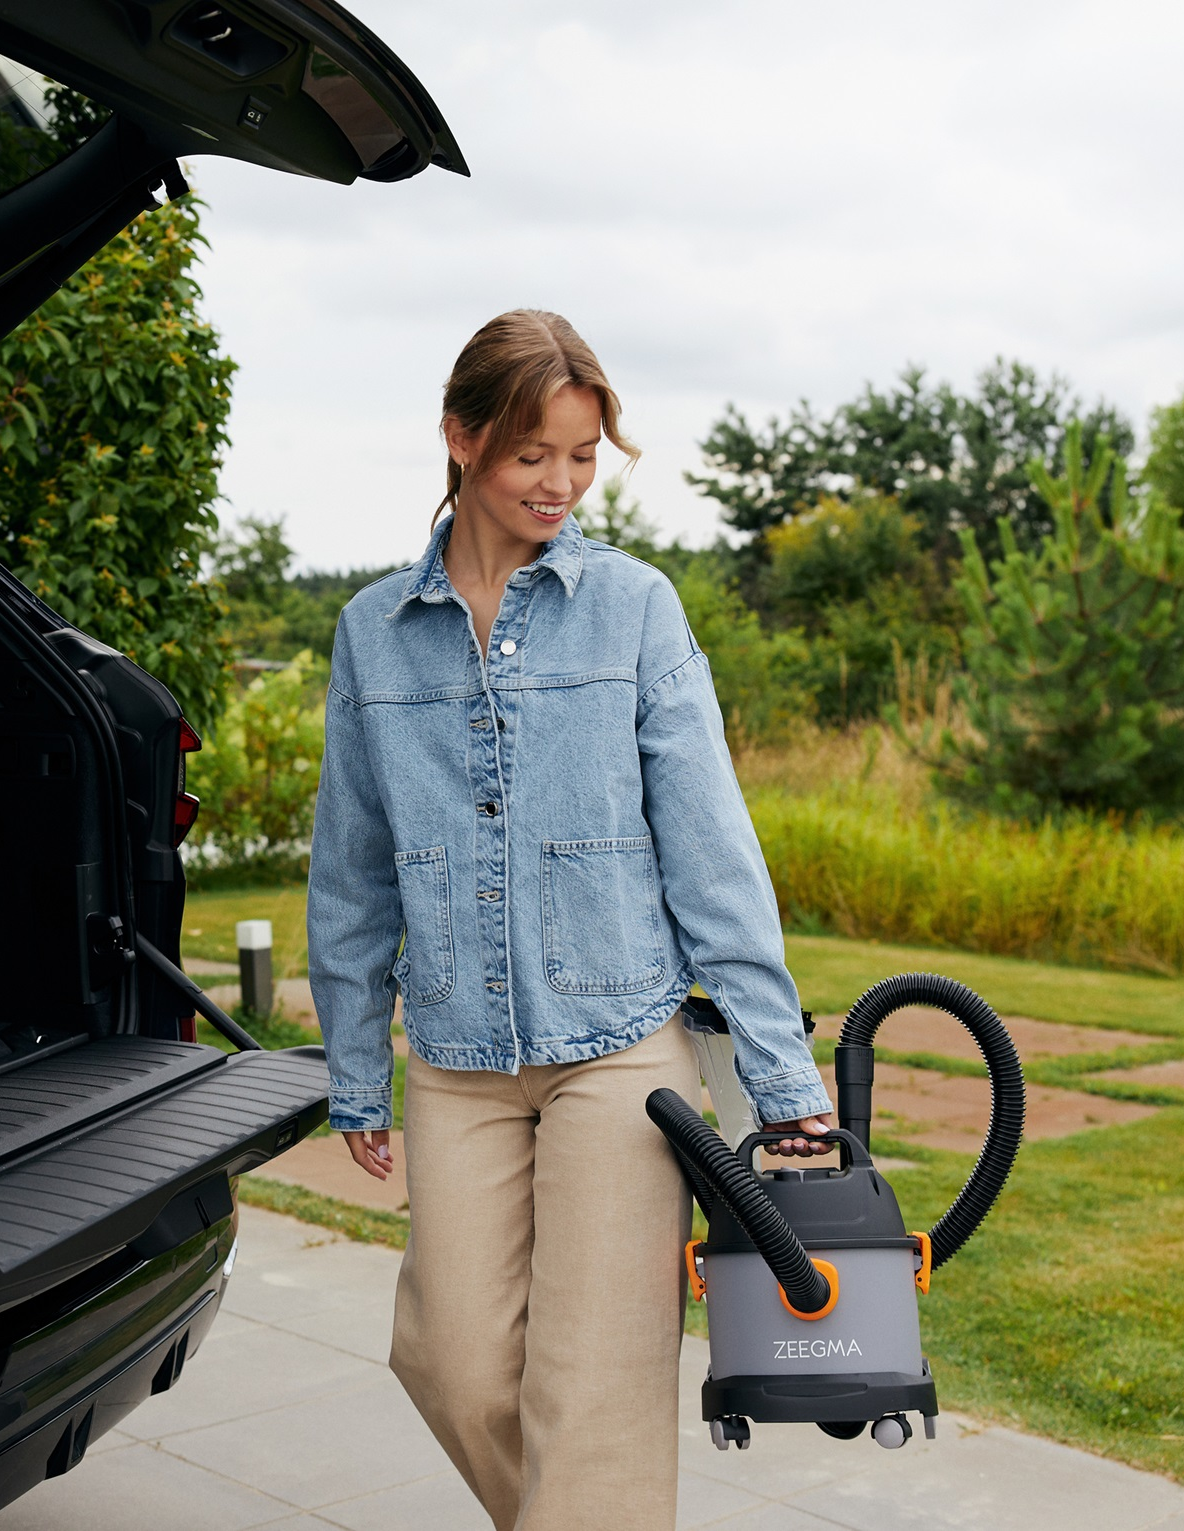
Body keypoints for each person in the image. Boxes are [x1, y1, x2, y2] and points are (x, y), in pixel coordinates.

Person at [306, 309, 834, 1530]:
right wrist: (354, 1066)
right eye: (530, 453)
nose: (559, 483)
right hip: (456, 1057)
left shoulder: (633, 608)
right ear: (460, 439)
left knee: (589, 1395)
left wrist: (779, 1075)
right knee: (450, 1362)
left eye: (582, 455)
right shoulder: (372, 633)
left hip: (620, 1055)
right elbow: (351, 869)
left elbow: (711, 854)